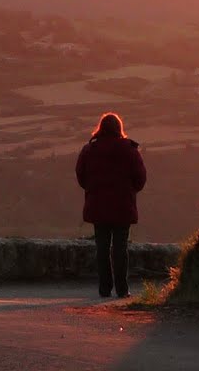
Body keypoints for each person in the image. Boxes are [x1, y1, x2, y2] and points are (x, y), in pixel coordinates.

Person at [75, 111, 147, 298]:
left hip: (98, 206)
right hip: (123, 206)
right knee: (120, 248)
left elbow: (81, 176)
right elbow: (140, 178)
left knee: (102, 247)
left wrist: (93, 190)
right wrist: (130, 191)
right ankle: (122, 289)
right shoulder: (130, 150)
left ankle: (104, 288)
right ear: (119, 129)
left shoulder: (89, 150)